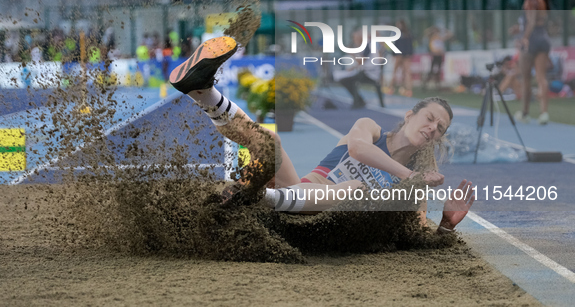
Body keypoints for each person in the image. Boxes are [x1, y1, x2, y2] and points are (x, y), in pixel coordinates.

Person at [169, 36, 475, 235]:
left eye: (440, 129)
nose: (432, 128)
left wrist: (446, 224)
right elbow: (357, 150)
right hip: (296, 197)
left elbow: (419, 237)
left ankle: (258, 196)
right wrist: (408, 174)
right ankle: (202, 90)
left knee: (356, 187)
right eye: (430, 118)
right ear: (410, 115)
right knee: (271, 142)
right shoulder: (370, 129)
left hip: (320, 231)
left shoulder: (416, 185)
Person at [514, 0, 552, 124]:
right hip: (543, 38)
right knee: (541, 77)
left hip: (532, 40)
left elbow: (531, 22)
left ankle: (525, 113)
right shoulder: (542, 0)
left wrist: (524, 38)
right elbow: (540, 21)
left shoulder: (529, 1)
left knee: (526, 78)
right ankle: (544, 113)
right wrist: (519, 28)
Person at [335, 27, 384, 108]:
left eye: (355, 38)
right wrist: (353, 67)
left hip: (370, 74)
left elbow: (362, 61)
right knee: (345, 79)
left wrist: (351, 53)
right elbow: (364, 62)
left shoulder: (369, 45)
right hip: (367, 72)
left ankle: (358, 101)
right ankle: (359, 100)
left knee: (349, 80)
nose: (354, 40)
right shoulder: (368, 45)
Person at [385, 19, 414, 97]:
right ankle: (407, 90)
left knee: (399, 72)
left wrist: (394, 54)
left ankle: (392, 88)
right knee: (405, 73)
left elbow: (394, 44)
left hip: (400, 55)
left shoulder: (397, 33)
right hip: (404, 55)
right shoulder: (407, 33)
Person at [424, 26, 452, 91]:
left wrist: (443, 29)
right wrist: (432, 30)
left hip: (439, 56)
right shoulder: (432, 38)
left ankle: (438, 85)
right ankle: (425, 84)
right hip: (435, 56)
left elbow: (450, 34)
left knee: (438, 71)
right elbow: (426, 32)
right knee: (432, 71)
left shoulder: (440, 38)